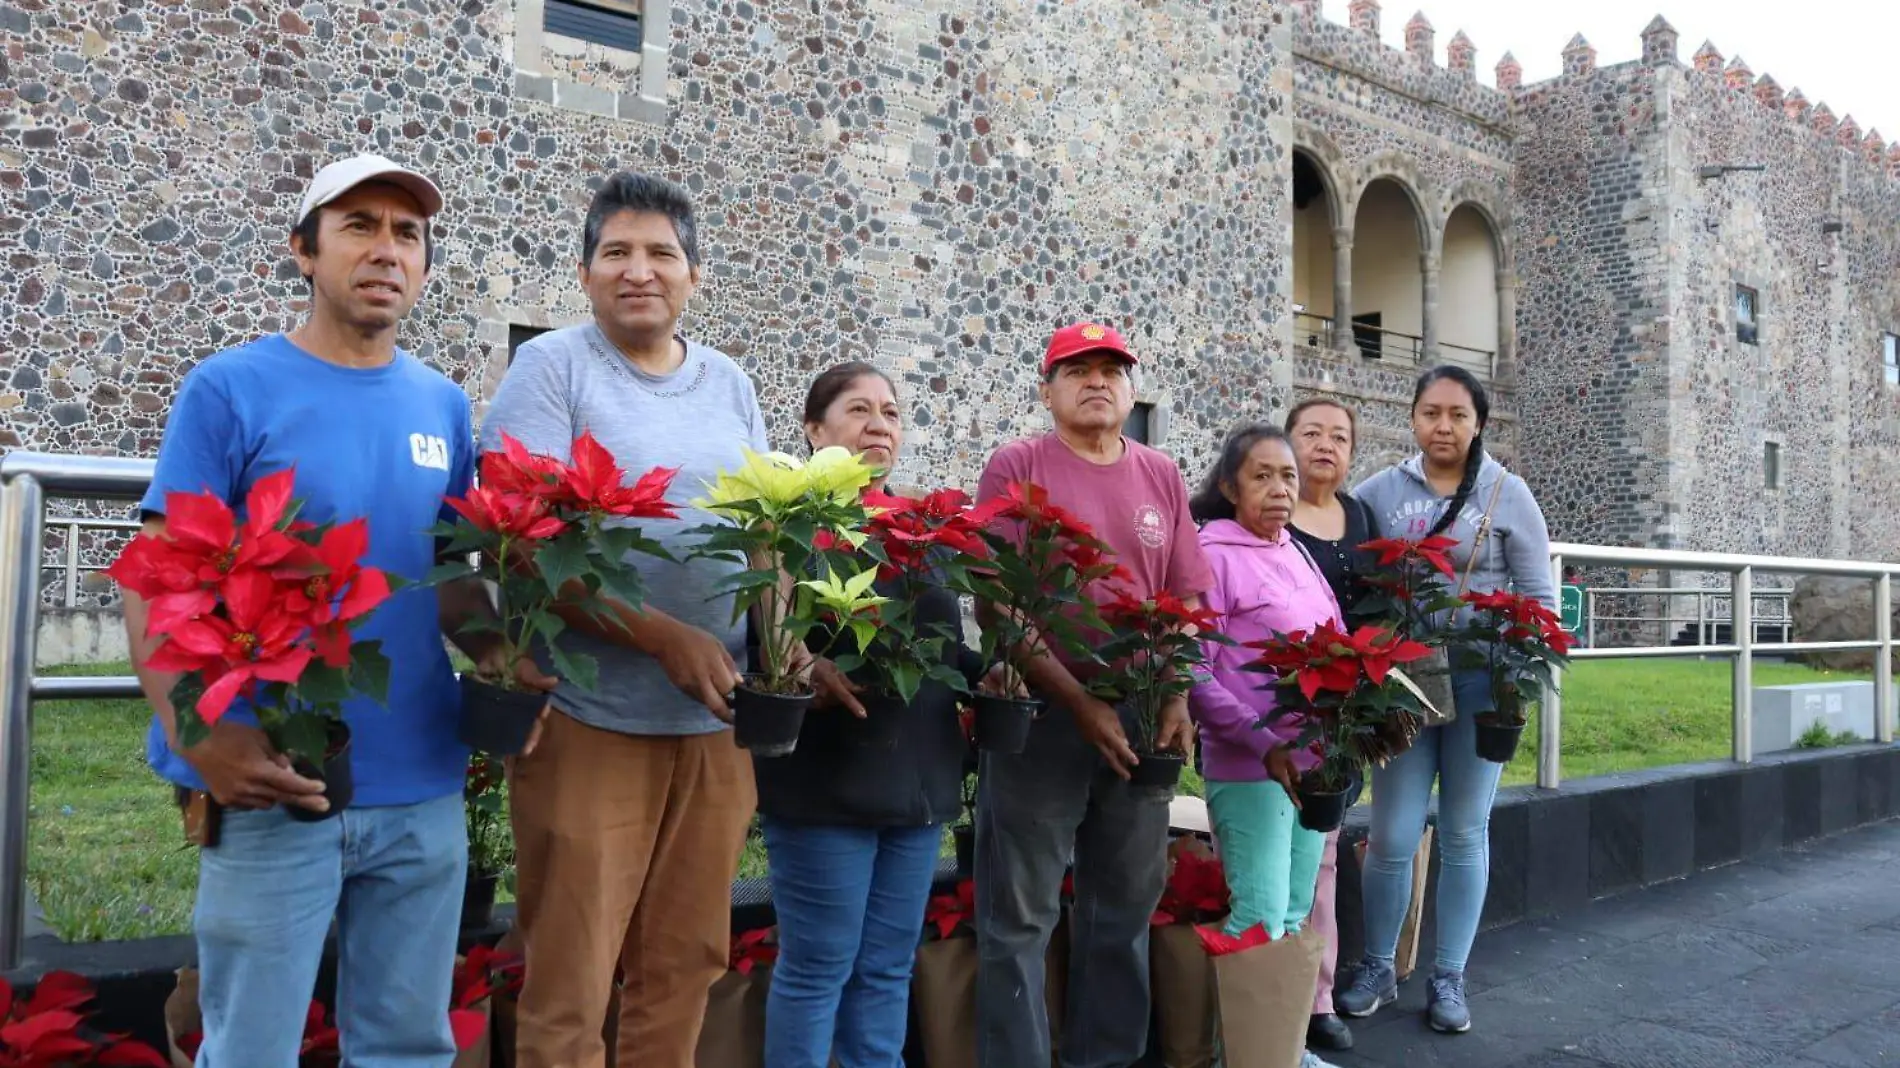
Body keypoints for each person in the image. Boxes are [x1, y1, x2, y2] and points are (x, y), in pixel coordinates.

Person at [122, 153, 548, 1065]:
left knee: (406, 1044)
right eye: (359, 226)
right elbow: (154, 572)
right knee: (251, 1045)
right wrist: (198, 736)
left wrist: (499, 655)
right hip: (270, 772)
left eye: (408, 234)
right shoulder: (230, 388)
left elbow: (445, 574)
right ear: (304, 252)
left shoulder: (441, 403)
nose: (387, 250)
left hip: (422, 779)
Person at [480, 171, 766, 1068]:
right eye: (617, 253)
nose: (639, 271)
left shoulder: (729, 383)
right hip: (591, 715)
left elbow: (763, 536)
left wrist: (784, 654)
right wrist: (662, 636)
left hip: (715, 726)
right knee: (573, 973)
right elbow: (524, 544)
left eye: (661, 254)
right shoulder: (552, 367)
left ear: (695, 276)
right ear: (585, 272)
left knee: (684, 964)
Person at [971, 321, 1213, 1068]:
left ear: (1132, 389)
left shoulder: (1162, 475)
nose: (1097, 380)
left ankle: (1104, 1058)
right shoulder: (1016, 465)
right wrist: (1079, 702)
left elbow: (1187, 593)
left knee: (1122, 912)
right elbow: (994, 602)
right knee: (1020, 917)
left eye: (1112, 368)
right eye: (1077, 369)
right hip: (1043, 715)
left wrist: (1174, 694)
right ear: (1047, 392)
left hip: (1139, 718)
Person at [756, 362, 994, 1068]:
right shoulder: (786, 527)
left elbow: (945, 654)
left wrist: (999, 676)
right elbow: (773, 647)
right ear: (813, 429)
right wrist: (804, 665)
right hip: (825, 784)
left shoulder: (924, 529)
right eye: (858, 410)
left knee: (888, 969)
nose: (878, 425)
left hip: (917, 786)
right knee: (817, 968)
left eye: (889, 412)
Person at [1335, 366, 1555, 1035]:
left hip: (1481, 681)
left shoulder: (1506, 493)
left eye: (1458, 415)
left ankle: (1449, 976)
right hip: (1404, 684)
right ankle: (1377, 965)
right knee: (1394, 833)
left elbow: (1538, 599)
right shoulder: (1378, 492)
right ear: (1413, 418)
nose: (1444, 426)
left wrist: (1517, 682)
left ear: (1478, 422)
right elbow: (1347, 572)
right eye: (1431, 413)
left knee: (1464, 832)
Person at [1185, 424, 1345, 1068]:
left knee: (1294, 910)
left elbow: (1335, 644)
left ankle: (1279, 1048)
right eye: (1262, 476)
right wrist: (1261, 741)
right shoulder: (1211, 554)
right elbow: (1192, 672)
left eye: (1288, 476)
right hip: (1251, 769)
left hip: (1310, 766)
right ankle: (1240, 1055)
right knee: (1256, 914)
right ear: (1229, 487)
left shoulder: (1297, 553)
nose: (1280, 489)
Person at [1283, 398, 1381, 1054]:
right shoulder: (1262, 514)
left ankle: (1316, 998)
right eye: (1311, 432)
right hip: (1273, 705)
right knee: (1271, 857)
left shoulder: (1361, 516)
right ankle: (1269, 990)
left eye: (1339, 436)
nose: (1326, 445)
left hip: (1340, 714)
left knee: (1322, 857)